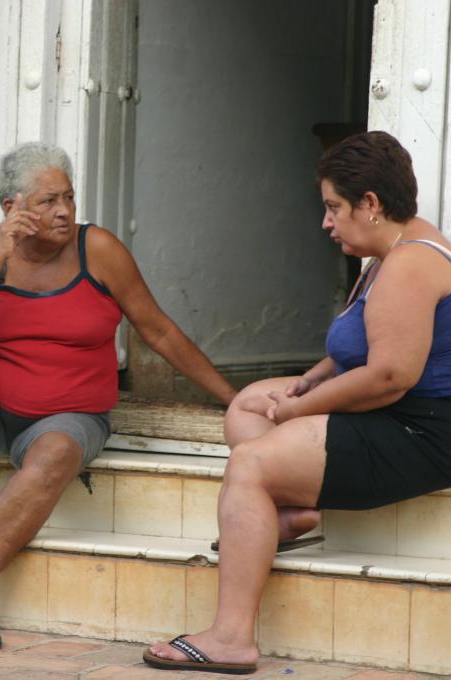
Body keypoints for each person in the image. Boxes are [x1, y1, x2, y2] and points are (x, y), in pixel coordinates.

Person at [0, 141, 236, 649]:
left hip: (69, 418)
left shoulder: (96, 249)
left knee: (56, 450)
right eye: (48, 201)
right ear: (12, 208)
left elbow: (159, 331)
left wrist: (231, 398)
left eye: (69, 198)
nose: (64, 211)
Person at [145, 130, 451, 674]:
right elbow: (355, 350)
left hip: (422, 432)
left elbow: (387, 376)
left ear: (371, 204)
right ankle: (286, 516)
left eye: (335, 208)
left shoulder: (411, 265)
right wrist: (305, 382)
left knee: (251, 462)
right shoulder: (389, 255)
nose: (327, 223)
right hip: (397, 415)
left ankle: (231, 637)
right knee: (247, 404)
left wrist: (296, 411)